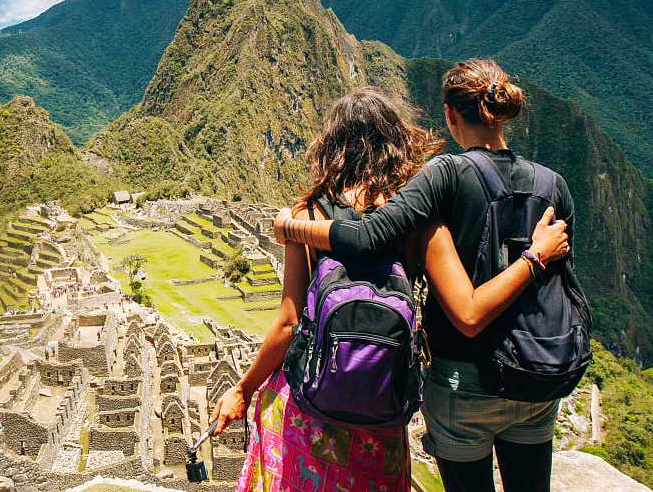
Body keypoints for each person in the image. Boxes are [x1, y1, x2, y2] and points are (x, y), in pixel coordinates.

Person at [212, 86, 570, 492]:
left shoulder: (307, 216)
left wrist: (243, 389)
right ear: (397, 143)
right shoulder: (419, 219)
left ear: (330, 145)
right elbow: (458, 300)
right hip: (380, 405)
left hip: (312, 406)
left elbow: (288, 322)